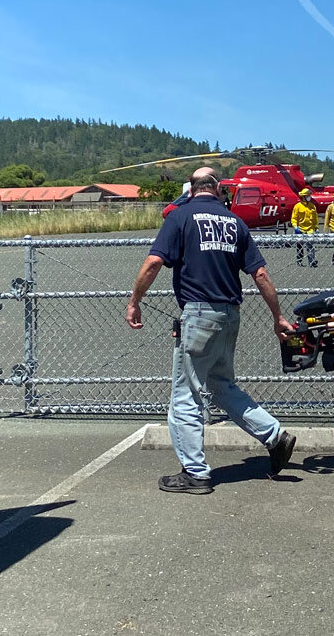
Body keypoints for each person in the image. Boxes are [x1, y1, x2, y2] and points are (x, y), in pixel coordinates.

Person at [126, 168, 298, 494]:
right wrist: (277, 317)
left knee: (184, 396)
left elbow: (153, 263)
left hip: (199, 315)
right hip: (229, 315)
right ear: (219, 190)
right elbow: (259, 273)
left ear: (190, 189)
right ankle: (275, 436)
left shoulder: (180, 217)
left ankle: (196, 473)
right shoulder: (235, 222)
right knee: (220, 386)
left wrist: (135, 300)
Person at [290, 187, 319, 267]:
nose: (309, 197)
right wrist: (295, 227)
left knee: (310, 246)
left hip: (310, 229)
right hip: (300, 229)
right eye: (307, 195)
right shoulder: (297, 206)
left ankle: (312, 261)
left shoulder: (312, 206)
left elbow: (315, 218)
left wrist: (316, 228)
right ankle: (299, 261)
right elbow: (294, 218)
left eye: (309, 195)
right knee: (299, 247)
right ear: (303, 197)